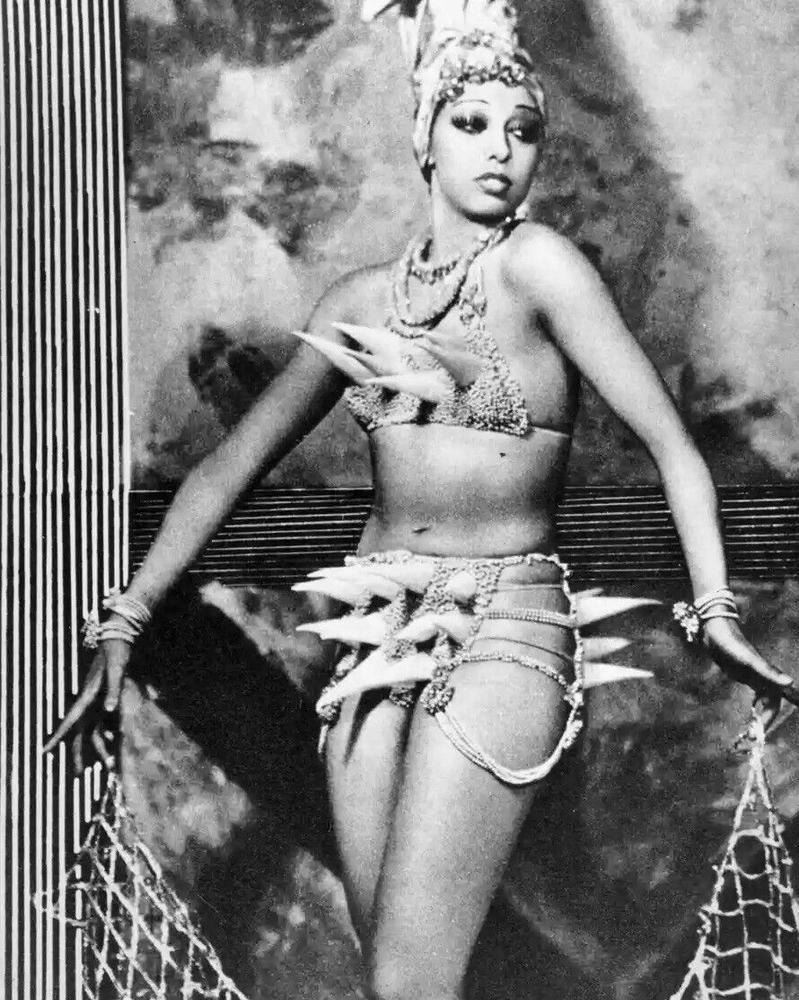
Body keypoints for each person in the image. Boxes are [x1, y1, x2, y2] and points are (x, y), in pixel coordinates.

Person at [45, 2, 795, 998]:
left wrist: (715, 610)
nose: (501, 150)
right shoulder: (359, 302)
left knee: (409, 979)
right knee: (392, 972)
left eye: (522, 130)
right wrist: (127, 619)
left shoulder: (538, 267)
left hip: (504, 625)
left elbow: (671, 445)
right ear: (425, 140)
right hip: (378, 629)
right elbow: (227, 470)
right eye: (472, 123)